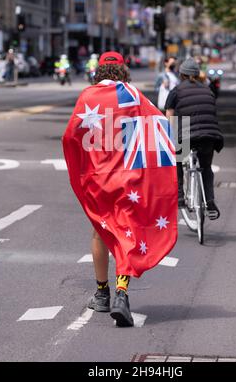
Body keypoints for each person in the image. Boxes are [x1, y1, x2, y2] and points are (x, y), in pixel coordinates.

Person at [63, 51, 178, 327]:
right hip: (128, 179)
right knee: (127, 231)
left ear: (99, 71)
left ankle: (102, 293)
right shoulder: (134, 96)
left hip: (98, 179)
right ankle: (122, 293)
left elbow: (71, 135)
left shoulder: (88, 97)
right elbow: (161, 125)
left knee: (101, 230)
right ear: (123, 70)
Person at [165, 57, 224, 218]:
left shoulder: (176, 91)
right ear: (198, 75)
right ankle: (210, 202)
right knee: (206, 167)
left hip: (184, 131)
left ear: (181, 74)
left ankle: (180, 196)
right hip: (209, 133)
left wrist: (169, 137)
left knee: (177, 159)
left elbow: (170, 117)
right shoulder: (208, 90)